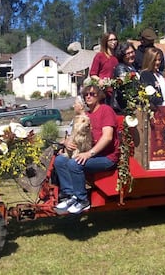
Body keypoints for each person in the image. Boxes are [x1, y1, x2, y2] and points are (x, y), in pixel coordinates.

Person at [54, 85, 120, 214]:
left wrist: (89, 154)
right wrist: (67, 142)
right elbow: (74, 133)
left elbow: (107, 137)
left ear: (99, 96)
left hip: (107, 157)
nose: (88, 96)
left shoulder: (106, 110)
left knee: (74, 163)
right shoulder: (87, 115)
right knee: (60, 161)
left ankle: (83, 200)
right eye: (86, 94)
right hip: (92, 154)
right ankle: (71, 195)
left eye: (92, 94)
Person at [112, 42, 139, 113]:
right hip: (123, 107)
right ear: (122, 55)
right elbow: (125, 88)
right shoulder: (120, 68)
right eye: (128, 53)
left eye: (132, 52)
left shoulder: (133, 67)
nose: (131, 55)